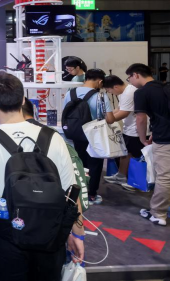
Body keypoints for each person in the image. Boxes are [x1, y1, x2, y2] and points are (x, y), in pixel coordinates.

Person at [0, 73, 83, 281]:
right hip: (50, 233)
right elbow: (71, 192)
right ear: (23, 100)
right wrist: (77, 233)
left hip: (5, 233)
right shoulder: (53, 137)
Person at [126, 63, 170, 227]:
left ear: (136, 75)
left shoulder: (141, 92)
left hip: (165, 138)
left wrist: (142, 138)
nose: (130, 81)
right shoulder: (165, 86)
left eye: (129, 78)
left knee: (164, 177)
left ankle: (158, 214)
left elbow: (141, 118)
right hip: (162, 132)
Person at [63, 68, 115, 205]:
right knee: (95, 164)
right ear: (100, 81)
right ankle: (91, 195)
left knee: (79, 162)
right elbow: (110, 119)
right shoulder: (101, 96)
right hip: (94, 135)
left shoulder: (70, 93)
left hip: (76, 133)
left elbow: (65, 112)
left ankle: (79, 192)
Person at [103, 75, 150, 188]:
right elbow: (119, 109)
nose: (110, 93)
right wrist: (106, 117)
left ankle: (136, 181)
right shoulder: (124, 92)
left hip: (136, 130)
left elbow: (124, 113)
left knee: (136, 156)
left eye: (109, 90)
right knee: (125, 153)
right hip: (129, 129)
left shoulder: (129, 92)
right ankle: (121, 175)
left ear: (115, 87)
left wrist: (108, 120)